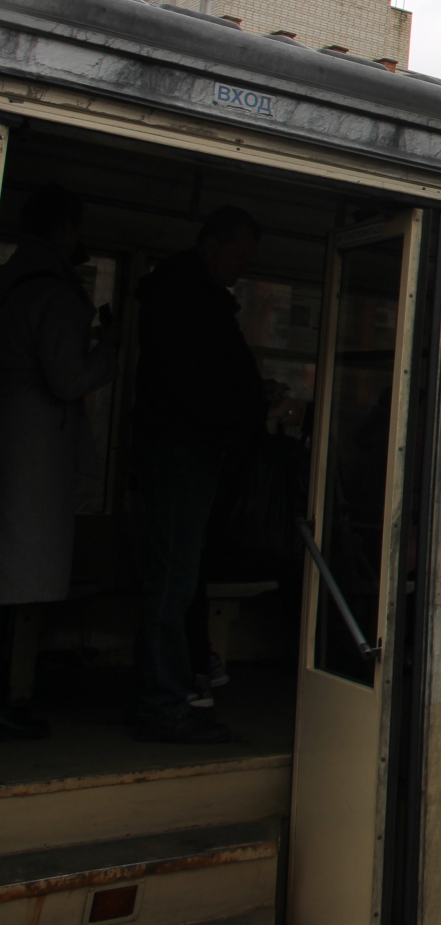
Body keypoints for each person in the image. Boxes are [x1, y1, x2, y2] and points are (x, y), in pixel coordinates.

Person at [131, 206, 266, 743]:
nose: (240, 269)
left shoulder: (181, 296)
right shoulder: (188, 304)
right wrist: (253, 411)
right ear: (211, 246)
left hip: (186, 450)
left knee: (176, 580)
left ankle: (169, 689)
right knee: (172, 583)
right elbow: (197, 388)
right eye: (238, 256)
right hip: (183, 452)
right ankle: (161, 699)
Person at [0, 186, 120, 739]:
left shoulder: (13, 280)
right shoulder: (52, 292)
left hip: (14, 436)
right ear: (65, 231)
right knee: (18, 579)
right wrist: (108, 352)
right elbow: (68, 379)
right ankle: (9, 696)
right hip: (34, 449)